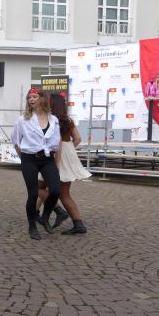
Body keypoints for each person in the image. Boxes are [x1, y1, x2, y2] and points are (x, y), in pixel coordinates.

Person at [11, 88, 61, 240]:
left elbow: (57, 142)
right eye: (29, 97)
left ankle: (45, 217)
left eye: (34, 96)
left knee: (55, 190)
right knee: (33, 194)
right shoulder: (22, 120)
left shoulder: (53, 119)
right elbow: (15, 140)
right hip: (29, 158)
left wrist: (57, 162)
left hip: (47, 158)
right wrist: (23, 158)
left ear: (42, 99)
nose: (31, 99)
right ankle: (32, 226)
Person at [49, 93, 89, 235]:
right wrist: (69, 149)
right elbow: (78, 138)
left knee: (44, 188)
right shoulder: (68, 120)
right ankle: (77, 223)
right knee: (63, 193)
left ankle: (59, 213)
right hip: (68, 153)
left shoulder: (50, 120)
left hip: (56, 155)